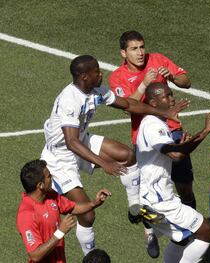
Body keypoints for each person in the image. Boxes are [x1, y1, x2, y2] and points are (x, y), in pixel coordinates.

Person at [40, 55, 188, 255]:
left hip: (81, 141)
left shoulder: (95, 90)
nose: (101, 74)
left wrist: (163, 113)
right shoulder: (69, 100)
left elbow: (128, 105)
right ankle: (90, 257)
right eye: (96, 71)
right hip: (60, 158)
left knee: (126, 155)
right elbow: (70, 142)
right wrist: (104, 164)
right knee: (87, 214)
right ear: (84, 76)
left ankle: (136, 206)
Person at [108, 30, 195, 257]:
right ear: (123, 52)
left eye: (142, 47)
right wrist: (143, 85)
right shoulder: (117, 77)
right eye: (134, 49)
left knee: (184, 185)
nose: (140, 53)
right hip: (145, 140)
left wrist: (174, 77)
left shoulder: (157, 60)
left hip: (172, 131)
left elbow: (187, 81)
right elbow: (126, 105)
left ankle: (191, 228)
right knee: (151, 190)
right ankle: (150, 234)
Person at [136, 82, 210, 262]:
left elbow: (174, 152)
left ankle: (149, 222)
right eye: (166, 96)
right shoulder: (152, 124)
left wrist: (182, 145)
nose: (172, 99)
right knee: (207, 231)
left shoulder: (157, 123)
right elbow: (176, 156)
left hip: (159, 195)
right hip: (159, 200)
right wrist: (205, 131)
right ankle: (149, 223)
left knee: (183, 237)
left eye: (171, 94)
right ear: (154, 103)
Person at [16, 159, 111, 263]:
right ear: (40, 185)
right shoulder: (26, 215)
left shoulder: (50, 195)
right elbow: (35, 255)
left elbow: (72, 207)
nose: (52, 178)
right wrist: (60, 232)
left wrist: (94, 203)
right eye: (49, 177)